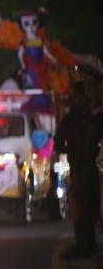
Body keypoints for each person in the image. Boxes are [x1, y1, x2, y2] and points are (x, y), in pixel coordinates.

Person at [56, 72, 103, 258]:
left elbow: (59, 142)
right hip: (83, 166)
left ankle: (86, 244)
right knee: (83, 204)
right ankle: (85, 244)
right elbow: (59, 141)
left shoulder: (89, 117)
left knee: (86, 205)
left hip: (88, 167)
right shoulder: (80, 118)